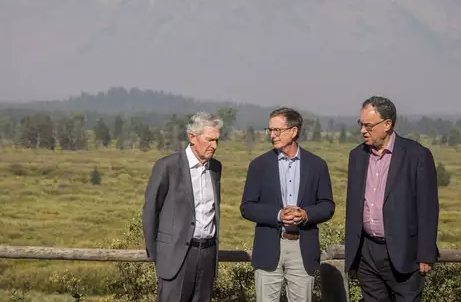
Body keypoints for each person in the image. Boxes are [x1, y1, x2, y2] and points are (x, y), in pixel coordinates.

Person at [344, 96, 440, 302]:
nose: (362, 130)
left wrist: (426, 253)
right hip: (366, 253)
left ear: (387, 124)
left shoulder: (417, 155)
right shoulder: (356, 155)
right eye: (361, 124)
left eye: (368, 126)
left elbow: (427, 208)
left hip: (404, 252)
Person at [241, 107, 335, 302]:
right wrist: (278, 215)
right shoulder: (258, 165)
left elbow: (327, 206)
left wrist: (306, 214)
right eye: (270, 130)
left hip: (303, 249)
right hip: (268, 248)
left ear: (294, 131)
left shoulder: (317, 165)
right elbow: (247, 207)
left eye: (277, 130)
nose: (272, 135)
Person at [142, 112, 223, 302]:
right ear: (192, 137)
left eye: (217, 140)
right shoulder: (167, 166)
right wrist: (157, 256)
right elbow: (150, 211)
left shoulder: (216, 168)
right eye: (210, 140)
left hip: (207, 255)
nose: (214, 146)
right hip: (174, 258)